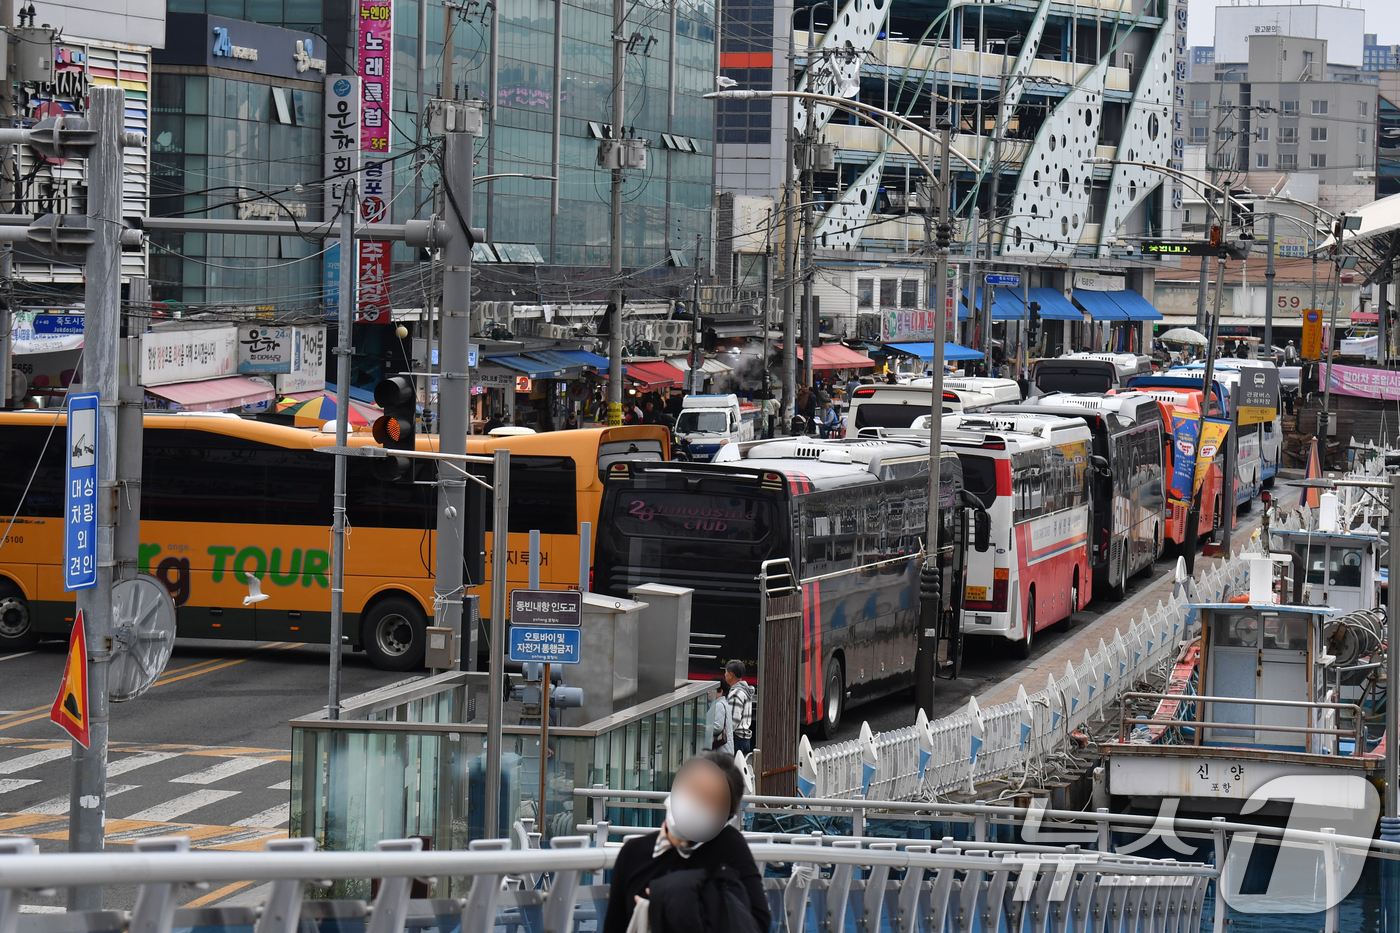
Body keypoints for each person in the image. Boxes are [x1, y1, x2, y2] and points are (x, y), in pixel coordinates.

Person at [601, 753, 770, 933]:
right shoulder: (634, 852)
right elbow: (615, 925)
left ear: (725, 818)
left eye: (708, 801)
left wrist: (674, 907)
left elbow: (758, 923)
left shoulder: (728, 847)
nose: (694, 802)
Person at [724, 661, 753, 755]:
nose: (725, 675)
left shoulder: (736, 693)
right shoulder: (745, 690)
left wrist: (725, 736)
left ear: (731, 674)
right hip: (744, 738)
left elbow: (733, 721)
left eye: (726, 672)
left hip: (736, 738)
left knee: (733, 768)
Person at [709, 680, 732, 754]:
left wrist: (702, 728)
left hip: (720, 750)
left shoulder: (719, 705)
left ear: (720, 691)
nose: (708, 692)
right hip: (725, 750)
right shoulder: (724, 703)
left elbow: (718, 727)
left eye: (711, 690)